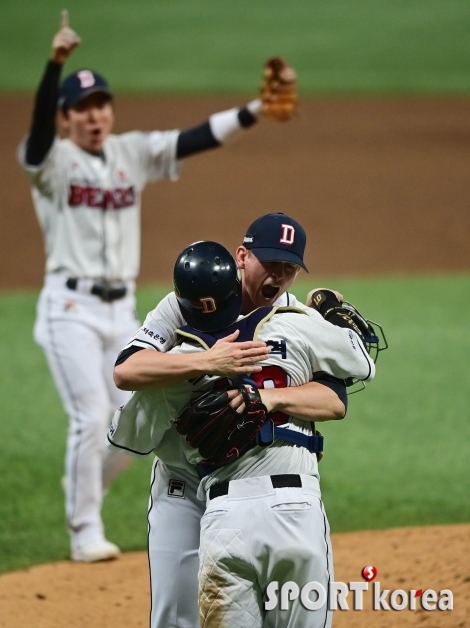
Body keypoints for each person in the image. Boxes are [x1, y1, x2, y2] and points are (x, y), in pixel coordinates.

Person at [17, 11, 291, 562]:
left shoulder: (130, 152)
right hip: (68, 307)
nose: (95, 117)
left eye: (102, 106)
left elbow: (196, 138)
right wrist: (54, 66)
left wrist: (257, 110)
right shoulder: (52, 162)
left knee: (130, 426)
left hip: (120, 310)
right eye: (82, 109)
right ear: (67, 118)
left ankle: (85, 489)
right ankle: (83, 530)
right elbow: (39, 137)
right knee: (91, 416)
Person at [109, 240, 376, 628]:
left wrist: (266, 396)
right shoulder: (181, 311)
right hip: (186, 485)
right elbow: (124, 370)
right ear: (242, 259)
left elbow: (124, 434)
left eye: (287, 267)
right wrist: (206, 362)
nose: (277, 275)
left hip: (228, 501)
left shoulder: (291, 317)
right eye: (269, 263)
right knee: (178, 616)